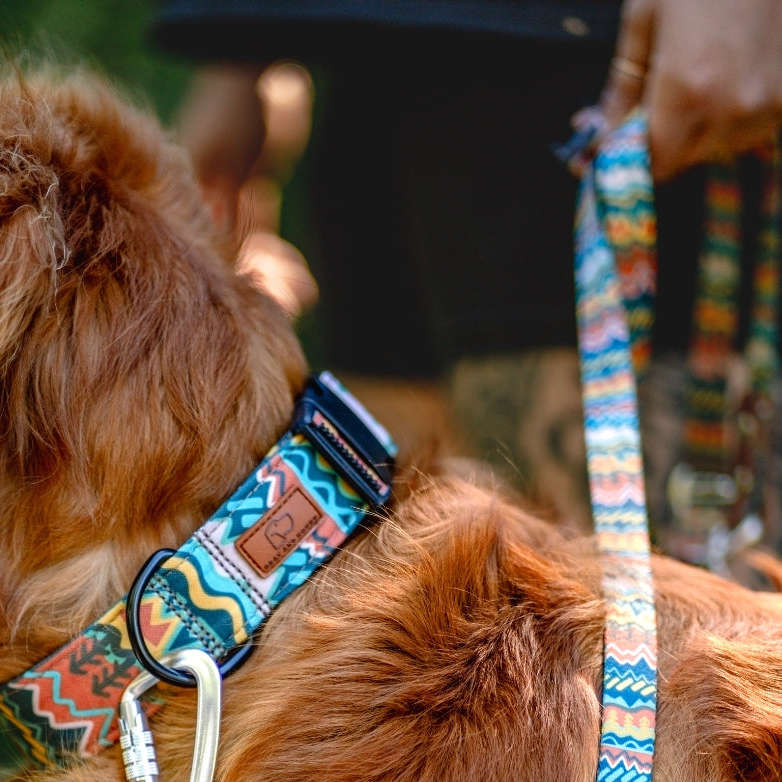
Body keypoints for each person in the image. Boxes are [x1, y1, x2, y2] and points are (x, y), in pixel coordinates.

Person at [152, 0, 782, 538]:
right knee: (408, 607)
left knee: (622, 617)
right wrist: (238, 54)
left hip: (593, 60)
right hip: (371, 48)